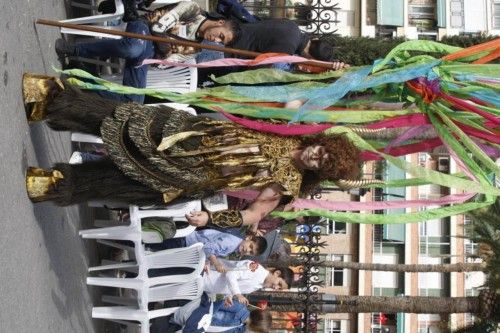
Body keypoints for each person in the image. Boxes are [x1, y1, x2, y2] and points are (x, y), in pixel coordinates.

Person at [23, 73, 361, 230]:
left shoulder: (286, 184)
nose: (318, 157)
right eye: (324, 151)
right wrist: (336, 78)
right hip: (188, 134)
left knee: (115, 180)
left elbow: (254, 214)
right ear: (322, 142)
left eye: (325, 164)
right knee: (120, 119)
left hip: (190, 175)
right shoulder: (290, 129)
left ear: (321, 172)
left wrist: (211, 218)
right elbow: (298, 96)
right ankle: (51, 101)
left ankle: (52, 184)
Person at [55, 0, 240, 103]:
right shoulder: (192, 9)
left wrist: (166, 61)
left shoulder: (198, 48)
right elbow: (160, 27)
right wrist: (168, 45)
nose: (215, 40)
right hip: (144, 28)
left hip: (148, 54)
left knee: (134, 99)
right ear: (220, 23)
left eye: (220, 42)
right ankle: (73, 50)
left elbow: (170, 59)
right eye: (220, 36)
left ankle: (80, 80)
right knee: (133, 48)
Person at [147, 228, 268, 273]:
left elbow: (211, 249)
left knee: (154, 245)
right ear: (249, 238)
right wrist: (216, 263)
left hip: (189, 243)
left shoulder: (235, 244)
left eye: (250, 252)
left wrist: (207, 262)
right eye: (250, 246)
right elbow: (208, 248)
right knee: (153, 244)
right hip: (186, 242)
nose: (247, 250)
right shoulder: (232, 243)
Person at [202, 259, 293, 306]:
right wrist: (238, 294)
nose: (276, 288)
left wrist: (229, 296)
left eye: (280, 288)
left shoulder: (260, 284)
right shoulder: (255, 269)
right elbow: (231, 274)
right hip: (204, 274)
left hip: (204, 285)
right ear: (277, 273)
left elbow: (235, 285)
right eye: (279, 284)